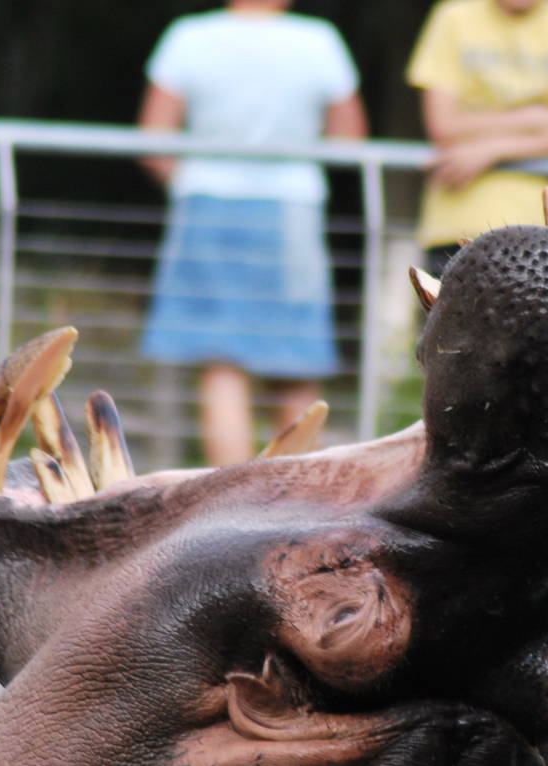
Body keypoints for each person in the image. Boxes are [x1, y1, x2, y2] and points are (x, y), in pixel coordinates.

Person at [138, 0, 367, 468]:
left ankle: (231, 504)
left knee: (222, 365)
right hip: (291, 209)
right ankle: (299, 503)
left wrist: (188, 180)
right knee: (297, 365)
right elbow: (349, 139)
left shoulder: (189, 35)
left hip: (205, 204)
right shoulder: (317, 40)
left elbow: (153, 136)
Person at [407, 0, 548, 278]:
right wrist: (534, 119)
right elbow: (443, 126)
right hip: (456, 227)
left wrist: (491, 150)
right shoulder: (453, 16)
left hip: (546, 232)